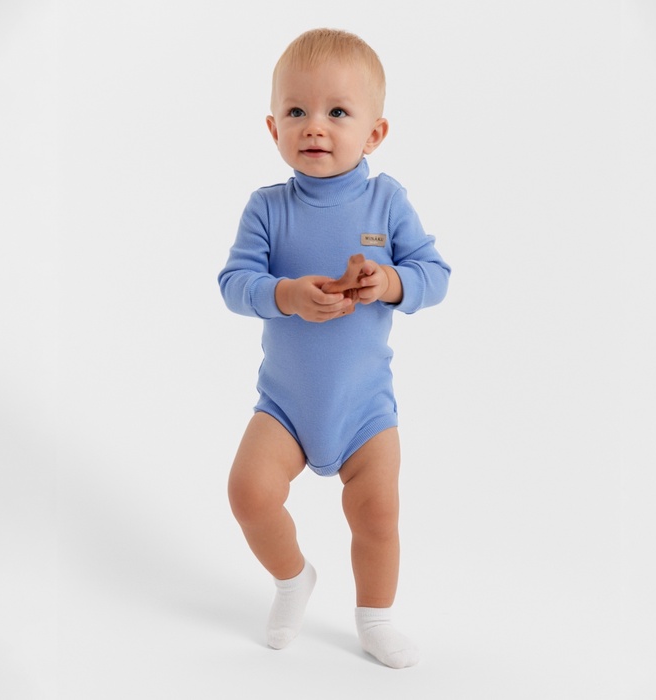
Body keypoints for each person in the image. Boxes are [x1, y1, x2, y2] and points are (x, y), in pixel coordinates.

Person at [218, 28, 451, 669]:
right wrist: (285, 294)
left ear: (374, 133)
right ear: (274, 128)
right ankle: (293, 579)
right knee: (248, 493)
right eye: (297, 110)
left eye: (338, 112)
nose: (315, 126)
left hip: (365, 409)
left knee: (377, 517)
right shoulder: (267, 210)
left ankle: (375, 617)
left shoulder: (387, 201)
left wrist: (391, 282)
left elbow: (435, 275)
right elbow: (234, 284)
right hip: (286, 407)